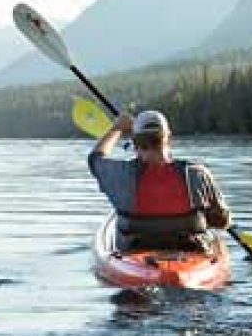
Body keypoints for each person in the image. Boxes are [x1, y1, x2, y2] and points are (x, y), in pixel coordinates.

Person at [89, 108, 232, 252]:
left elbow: (94, 159)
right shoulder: (197, 174)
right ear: (169, 138)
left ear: (134, 141)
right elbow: (222, 222)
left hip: (135, 250)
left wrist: (117, 128)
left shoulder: (122, 174)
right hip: (191, 249)